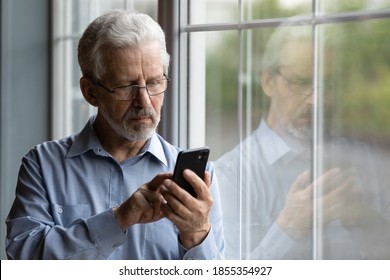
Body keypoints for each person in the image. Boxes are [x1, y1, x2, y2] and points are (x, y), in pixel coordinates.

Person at [5, 10, 225, 260]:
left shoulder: (199, 178)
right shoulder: (43, 165)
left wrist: (197, 234)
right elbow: (23, 260)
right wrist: (117, 220)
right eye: (126, 86)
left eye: (154, 82)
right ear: (90, 92)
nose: (144, 101)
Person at [215, 18, 390, 259]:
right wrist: (290, 228)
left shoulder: (368, 162)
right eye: (301, 83)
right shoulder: (230, 176)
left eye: (326, 84)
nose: (316, 100)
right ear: (268, 81)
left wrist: (366, 219)